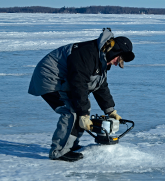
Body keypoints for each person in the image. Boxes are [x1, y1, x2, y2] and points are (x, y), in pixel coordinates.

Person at [28, 28, 135, 162]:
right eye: (118, 58)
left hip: (63, 80)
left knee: (82, 108)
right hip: (49, 78)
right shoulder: (88, 54)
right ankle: (59, 151)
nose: (116, 63)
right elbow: (78, 84)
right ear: (114, 51)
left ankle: (70, 145)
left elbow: (100, 86)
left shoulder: (101, 59)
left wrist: (110, 110)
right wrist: (83, 114)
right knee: (71, 111)